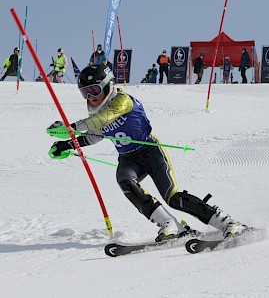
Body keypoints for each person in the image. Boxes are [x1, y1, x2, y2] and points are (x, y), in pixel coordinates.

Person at [47, 64, 249, 242]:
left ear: (108, 85)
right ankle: (170, 225)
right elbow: (96, 134)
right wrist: (68, 145)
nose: (91, 97)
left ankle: (227, 223)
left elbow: (105, 119)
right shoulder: (94, 111)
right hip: (128, 158)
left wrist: (72, 127)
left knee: (173, 197)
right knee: (125, 181)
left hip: (150, 151)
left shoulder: (122, 100)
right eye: (85, 93)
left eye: (94, 90)